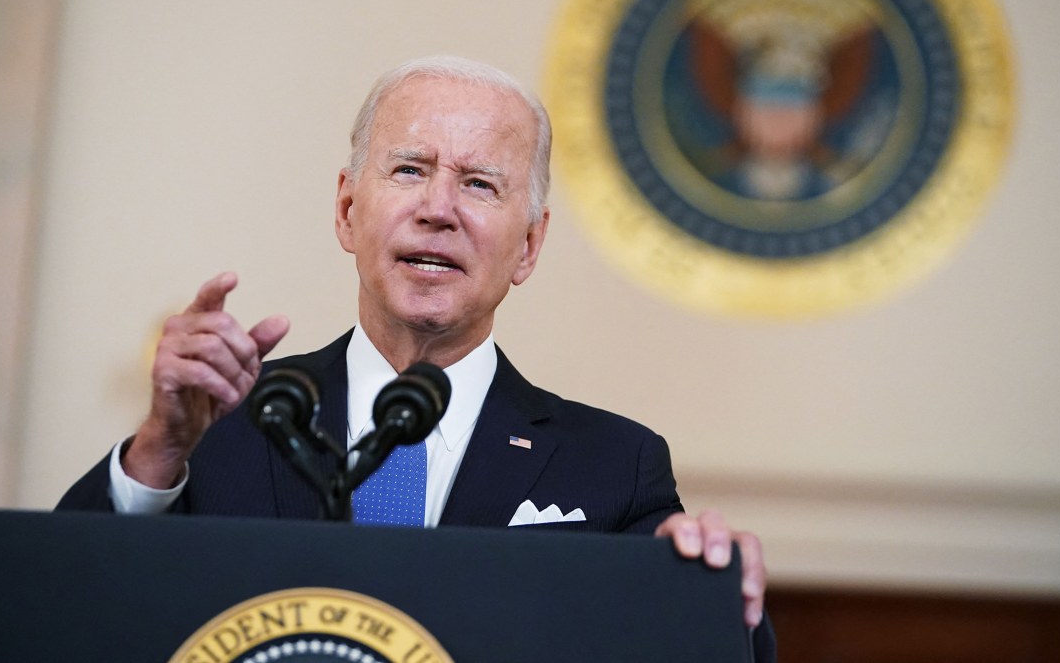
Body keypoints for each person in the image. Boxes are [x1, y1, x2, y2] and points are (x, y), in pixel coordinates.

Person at [58, 56, 775, 658]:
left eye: (479, 183)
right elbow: (60, 612)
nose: (439, 208)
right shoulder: (228, 420)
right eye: (409, 169)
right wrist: (159, 447)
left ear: (528, 245)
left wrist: (710, 583)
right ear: (347, 210)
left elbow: (716, 644)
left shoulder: (615, 464)